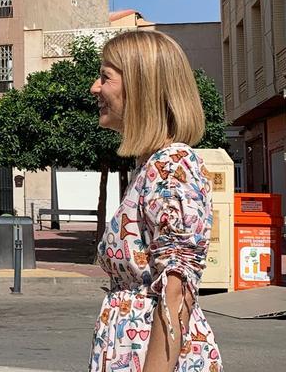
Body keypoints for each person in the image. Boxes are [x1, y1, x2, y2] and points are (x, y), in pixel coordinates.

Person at [88, 31, 222, 372]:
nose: (95, 88)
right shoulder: (151, 167)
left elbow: (177, 296)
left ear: (141, 86)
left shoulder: (172, 165)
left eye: (105, 77)